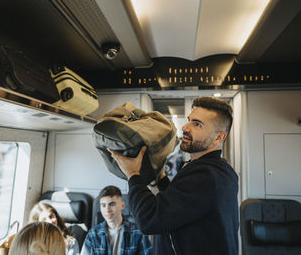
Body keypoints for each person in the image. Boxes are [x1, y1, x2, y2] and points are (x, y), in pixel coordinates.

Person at [108, 97, 239, 255]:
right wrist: (161, 178)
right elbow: (183, 205)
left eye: (197, 124)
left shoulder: (205, 175)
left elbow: (149, 219)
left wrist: (133, 174)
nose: (185, 127)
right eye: (189, 120)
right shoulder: (222, 170)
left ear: (218, 137)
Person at [80, 185, 153, 255]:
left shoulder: (138, 233)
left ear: (122, 205)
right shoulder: (92, 235)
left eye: (112, 204)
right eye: (103, 205)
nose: (107, 210)